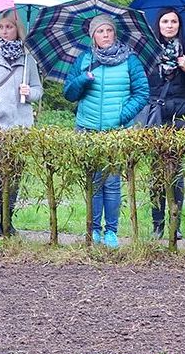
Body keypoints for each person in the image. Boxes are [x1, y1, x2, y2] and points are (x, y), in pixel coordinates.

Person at [63, 15, 149, 248]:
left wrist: (122, 115)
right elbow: (69, 94)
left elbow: (142, 93)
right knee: (93, 182)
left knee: (111, 183)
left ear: (115, 33)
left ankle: (111, 231)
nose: (105, 35)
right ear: (93, 36)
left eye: (109, 30)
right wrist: (82, 79)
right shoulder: (84, 59)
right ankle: (94, 230)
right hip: (87, 129)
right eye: (100, 31)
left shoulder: (130, 60)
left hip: (115, 131)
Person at [145, 9, 185, 239]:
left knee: (176, 174)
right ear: (158, 25)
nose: (169, 25)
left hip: (181, 120)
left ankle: (175, 222)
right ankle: (157, 223)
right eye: (165, 21)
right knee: (156, 174)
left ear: (179, 26)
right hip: (156, 117)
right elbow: (142, 87)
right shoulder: (150, 53)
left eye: (174, 21)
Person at [0, 10, 43, 236]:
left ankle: (8, 217)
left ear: (18, 30)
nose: (5, 31)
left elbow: (39, 90)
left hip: (21, 122)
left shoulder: (28, 58)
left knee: (16, 172)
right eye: (1, 27)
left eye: (9, 27)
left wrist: (30, 93)